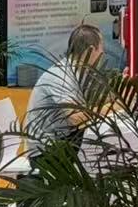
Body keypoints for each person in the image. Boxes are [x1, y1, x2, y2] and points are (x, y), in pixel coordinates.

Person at [25, 23, 104, 156]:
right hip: (46, 151)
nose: (103, 53)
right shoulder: (61, 76)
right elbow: (75, 118)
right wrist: (114, 107)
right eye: (101, 49)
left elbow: (96, 100)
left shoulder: (80, 71)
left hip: (66, 138)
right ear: (91, 50)